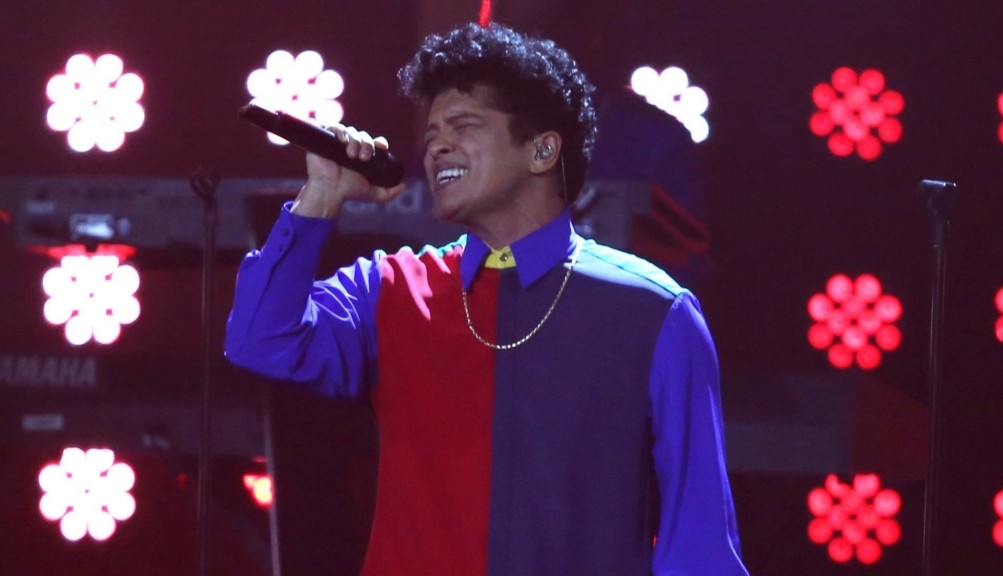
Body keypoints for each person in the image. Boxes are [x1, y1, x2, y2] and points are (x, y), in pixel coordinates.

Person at [225, 22, 749, 576]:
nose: (437, 147)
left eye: (464, 126)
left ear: (542, 150)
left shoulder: (653, 312)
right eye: (432, 133)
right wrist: (321, 196)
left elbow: (701, 544)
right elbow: (260, 340)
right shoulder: (392, 289)